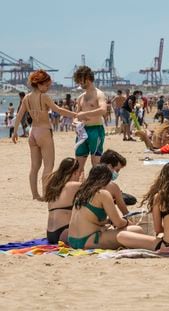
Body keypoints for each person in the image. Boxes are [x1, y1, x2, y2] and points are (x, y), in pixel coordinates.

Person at [12, 70, 76, 201]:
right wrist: (76, 115)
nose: (48, 88)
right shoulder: (44, 97)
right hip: (44, 131)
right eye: (46, 85)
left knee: (34, 166)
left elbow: (19, 115)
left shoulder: (27, 98)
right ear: (39, 84)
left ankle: (35, 195)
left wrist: (14, 132)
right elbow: (58, 110)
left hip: (32, 132)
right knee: (49, 165)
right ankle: (46, 193)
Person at [68, 164, 143, 249]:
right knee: (137, 230)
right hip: (89, 240)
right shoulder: (103, 194)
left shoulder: (81, 192)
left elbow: (88, 218)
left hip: (72, 240)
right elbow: (118, 223)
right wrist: (127, 222)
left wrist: (107, 221)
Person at [73, 66, 108, 172]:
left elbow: (103, 110)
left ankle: (96, 187)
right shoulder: (80, 97)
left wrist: (85, 114)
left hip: (96, 130)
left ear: (87, 78)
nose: (80, 84)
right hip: (82, 131)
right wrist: (75, 123)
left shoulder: (99, 94)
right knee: (78, 166)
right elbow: (76, 116)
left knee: (96, 163)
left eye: (81, 81)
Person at [44, 158, 82, 244]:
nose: (79, 174)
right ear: (74, 172)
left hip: (50, 234)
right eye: (78, 172)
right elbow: (96, 186)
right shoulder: (73, 185)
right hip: (64, 232)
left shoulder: (53, 185)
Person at [100, 149, 133, 215]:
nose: (117, 173)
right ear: (109, 167)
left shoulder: (87, 182)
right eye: (117, 170)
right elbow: (126, 214)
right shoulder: (112, 187)